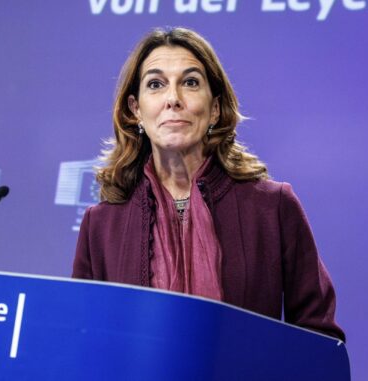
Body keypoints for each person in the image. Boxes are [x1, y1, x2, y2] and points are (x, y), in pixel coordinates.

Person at [72, 27, 345, 341]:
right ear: (136, 111)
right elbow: (83, 338)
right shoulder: (101, 224)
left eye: (190, 82)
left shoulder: (273, 207)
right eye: (156, 84)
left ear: (215, 108)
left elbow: (320, 335)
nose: (173, 99)